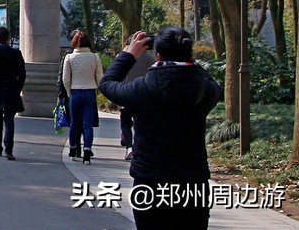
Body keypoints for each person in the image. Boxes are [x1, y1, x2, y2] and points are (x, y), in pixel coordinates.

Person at [99, 27, 220, 230]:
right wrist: (189, 61)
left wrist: (129, 54)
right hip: (192, 182)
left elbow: (107, 83)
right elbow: (208, 80)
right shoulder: (205, 90)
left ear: (158, 55)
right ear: (190, 54)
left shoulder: (142, 89)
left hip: (150, 181)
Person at [0, 26, 26, 160]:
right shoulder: (16, 53)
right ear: (9, 38)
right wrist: (17, 88)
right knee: (9, 120)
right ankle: (9, 149)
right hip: (11, 91)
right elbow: (22, 74)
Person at [62, 30, 103, 163]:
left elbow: (65, 79)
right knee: (87, 124)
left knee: (74, 123)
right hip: (90, 91)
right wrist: (98, 90)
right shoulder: (95, 57)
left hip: (75, 92)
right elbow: (100, 77)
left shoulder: (69, 58)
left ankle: (73, 149)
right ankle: (87, 150)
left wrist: (69, 92)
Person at [119, 46, 154, 161]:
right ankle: (139, 148)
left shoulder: (122, 58)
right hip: (143, 96)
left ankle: (129, 147)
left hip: (126, 94)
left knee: (125, 122)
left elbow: (117, 77)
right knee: (140, 122)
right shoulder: (150, 58)